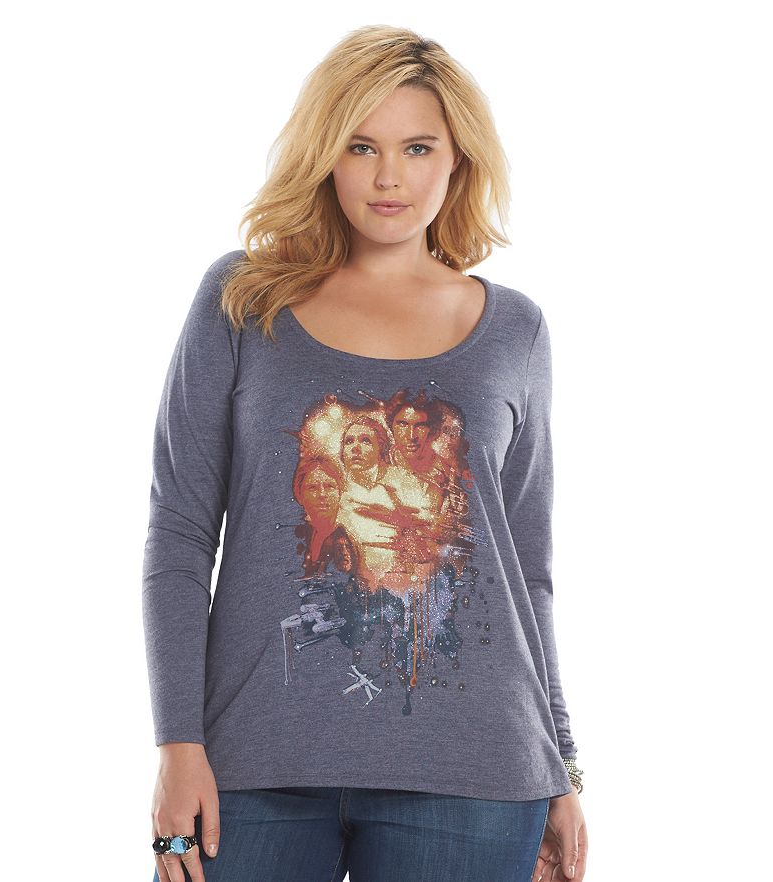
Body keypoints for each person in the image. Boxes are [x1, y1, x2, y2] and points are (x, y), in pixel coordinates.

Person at [142, 24, 589, 882]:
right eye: (361, 145)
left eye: (418, 148)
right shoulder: (243, 302)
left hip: (478, 776)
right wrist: (175, 745)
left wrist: (561, 764)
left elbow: (527, 570)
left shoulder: (515, 331)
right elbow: (180, 534)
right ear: (325, 155)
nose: (390, 177)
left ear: (457, 160)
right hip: (253, 763)